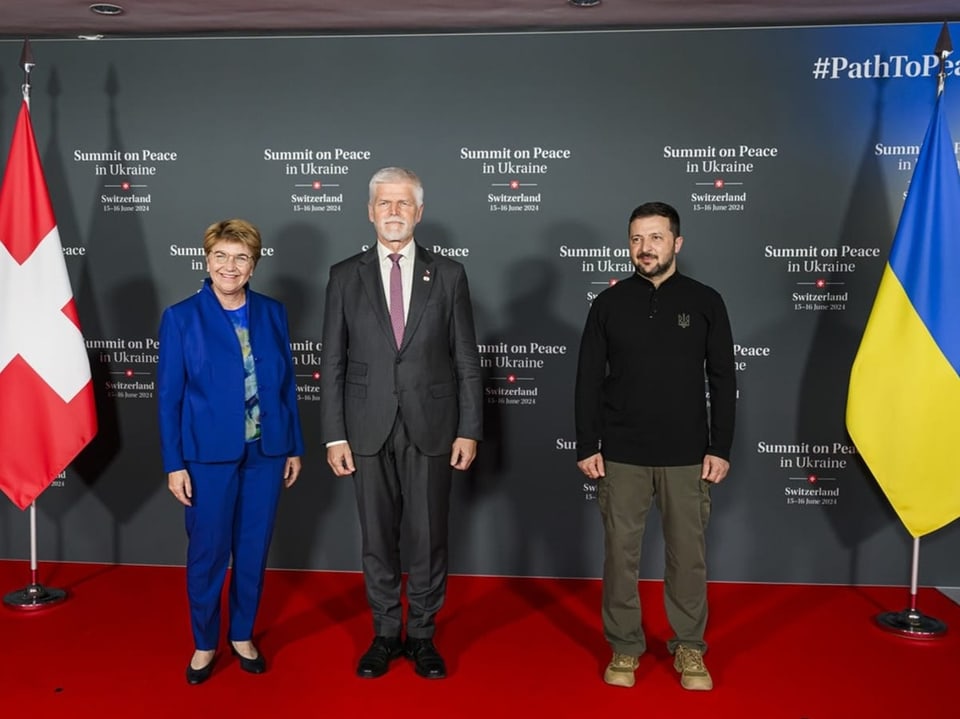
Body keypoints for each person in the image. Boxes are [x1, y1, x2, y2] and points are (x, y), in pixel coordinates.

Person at [320, 167, 482, 680]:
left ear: (419, 212)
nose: (393, 212)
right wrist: (334, 433)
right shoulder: (344, 275)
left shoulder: (450, 274)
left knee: (430, 534)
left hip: (433, 424)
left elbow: (465, 360)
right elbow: (333, 362)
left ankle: (424, 636)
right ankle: (386, 633)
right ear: (370, 211)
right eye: (384, 203)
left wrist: (469, 428)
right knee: (376, 538)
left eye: (403, 203)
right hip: (365, 428)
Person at [574, 201, 735, 692]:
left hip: (688, 454)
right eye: (636, 239)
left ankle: (689, 646)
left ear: (677, 243)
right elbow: (587, 381)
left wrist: (720, 446)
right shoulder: (608, 304)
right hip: (621, 453)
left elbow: (723, 380)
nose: (645, 249)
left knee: (688, 556)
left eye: (656, 238)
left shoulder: (707, 301)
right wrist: (588, 443)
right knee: (620, 555)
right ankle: (624, 647)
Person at [158, 219, 304, 685]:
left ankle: (242, 634)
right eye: (221, 256)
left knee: (253, 548)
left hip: (267, 451)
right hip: (205, 457)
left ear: (254, 264)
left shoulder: (271, 312)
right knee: (208, 552)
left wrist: (293, 446)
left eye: (241, 257)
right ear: (206, 260)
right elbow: (169, 398)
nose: (230, 266)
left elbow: (285, 387)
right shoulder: (181, 317)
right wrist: (174, 463)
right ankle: (205, 642)